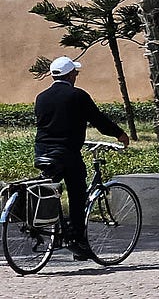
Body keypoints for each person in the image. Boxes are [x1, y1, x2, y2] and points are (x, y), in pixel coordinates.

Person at [34, 57, 129, 257]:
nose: (76, 76)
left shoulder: (41, 97)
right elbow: (98, 119)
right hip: (66, 153)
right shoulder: (77, 96)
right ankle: (77, 240)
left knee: (48, 189)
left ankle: (46, 227)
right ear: (70, 75)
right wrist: (119, 134)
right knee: (78, 193)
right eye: (75, 73)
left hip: (42, 152)